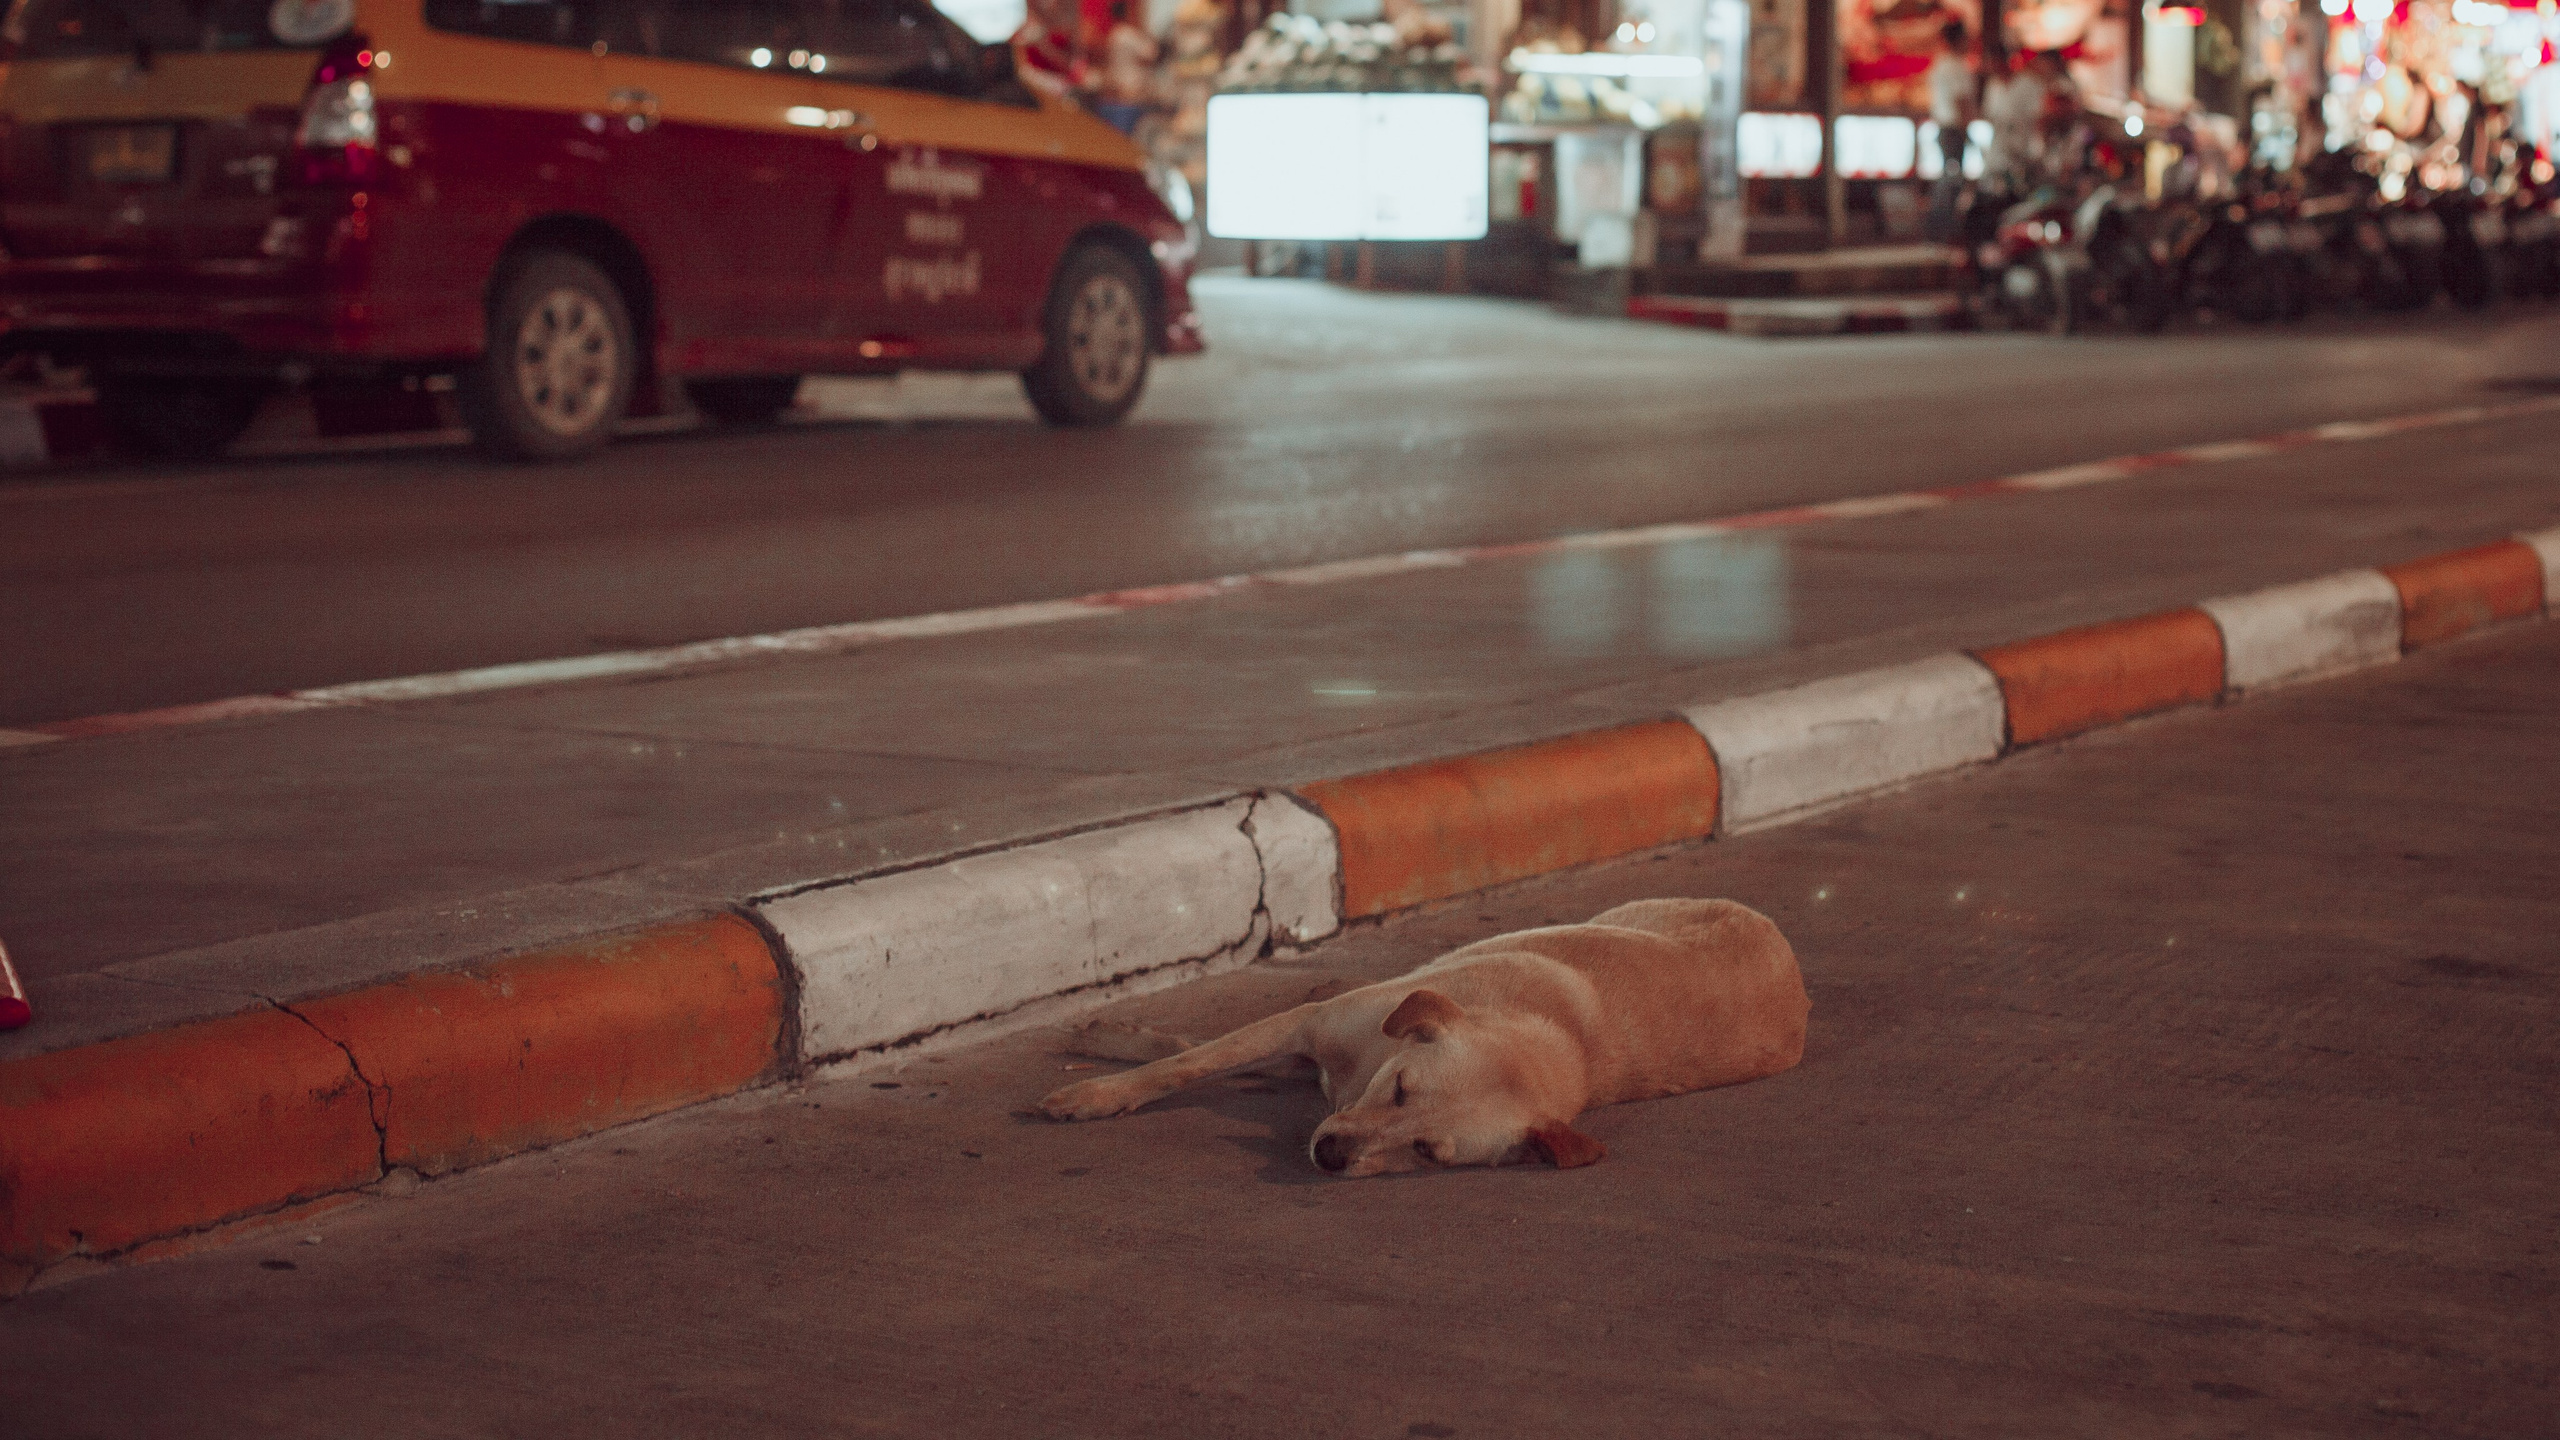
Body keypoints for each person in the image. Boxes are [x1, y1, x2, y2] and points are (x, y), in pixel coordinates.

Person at [1925, 19, 1975, 240]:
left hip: (1944, 129)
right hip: (1953, 130)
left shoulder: (1940, 65)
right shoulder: (1956, 66)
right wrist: (1967, 129)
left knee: (1948, 177)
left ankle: (1940, 230)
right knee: (1952, 179)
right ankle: (1944, 231)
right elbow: (1961, 102)